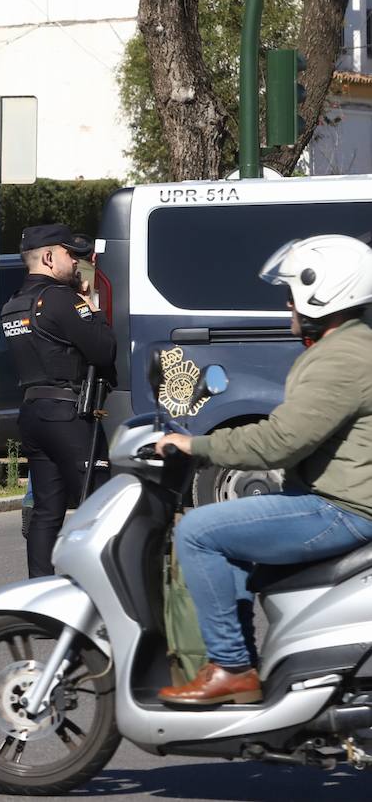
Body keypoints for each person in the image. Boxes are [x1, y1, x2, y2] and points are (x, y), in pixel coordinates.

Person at [156, 235, 372, 706]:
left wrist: (198, 445)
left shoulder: (341, 358)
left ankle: (231, 668)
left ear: (323, 293)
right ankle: (244, 665)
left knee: (198, 530)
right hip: (339, 500)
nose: (287, 303)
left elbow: (281, 441)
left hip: (343, 509)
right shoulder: (351, 346)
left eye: (292, 293)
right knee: (231, 535)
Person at [0, 223, 114, 579]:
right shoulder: (61, 299)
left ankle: (41, 591)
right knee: (99, 503)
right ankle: (99, 588)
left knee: (47, 512)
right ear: (49, 257)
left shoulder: (13, 304)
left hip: (34, 414)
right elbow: (104, 349)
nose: (76, 261)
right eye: (69, 254)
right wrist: (91, 307)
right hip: (68, 414)